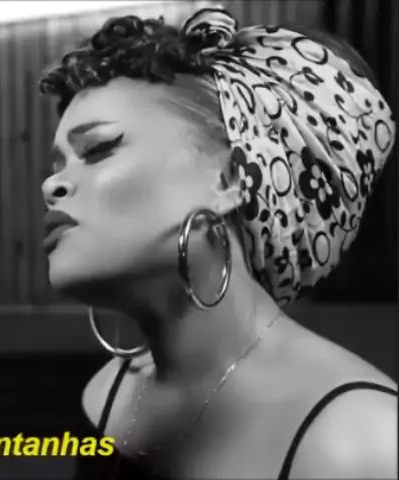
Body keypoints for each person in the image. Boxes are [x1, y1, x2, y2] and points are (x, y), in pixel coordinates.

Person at [38, 7, 397, 480]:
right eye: (58, 163)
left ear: (230, 177)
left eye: (98, 148)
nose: (52, 185)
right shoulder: (106, 398)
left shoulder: (359, 441)